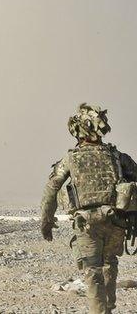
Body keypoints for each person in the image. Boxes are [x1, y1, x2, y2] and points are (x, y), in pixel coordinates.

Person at [41, 103, 137, 314]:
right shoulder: (118, 156)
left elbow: (51, 188)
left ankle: (99, 311)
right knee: (109, 264)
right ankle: (108, 309)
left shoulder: (70, 159)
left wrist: (46, 221)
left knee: (92, 271)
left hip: (87, 224)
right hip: (115, 221)